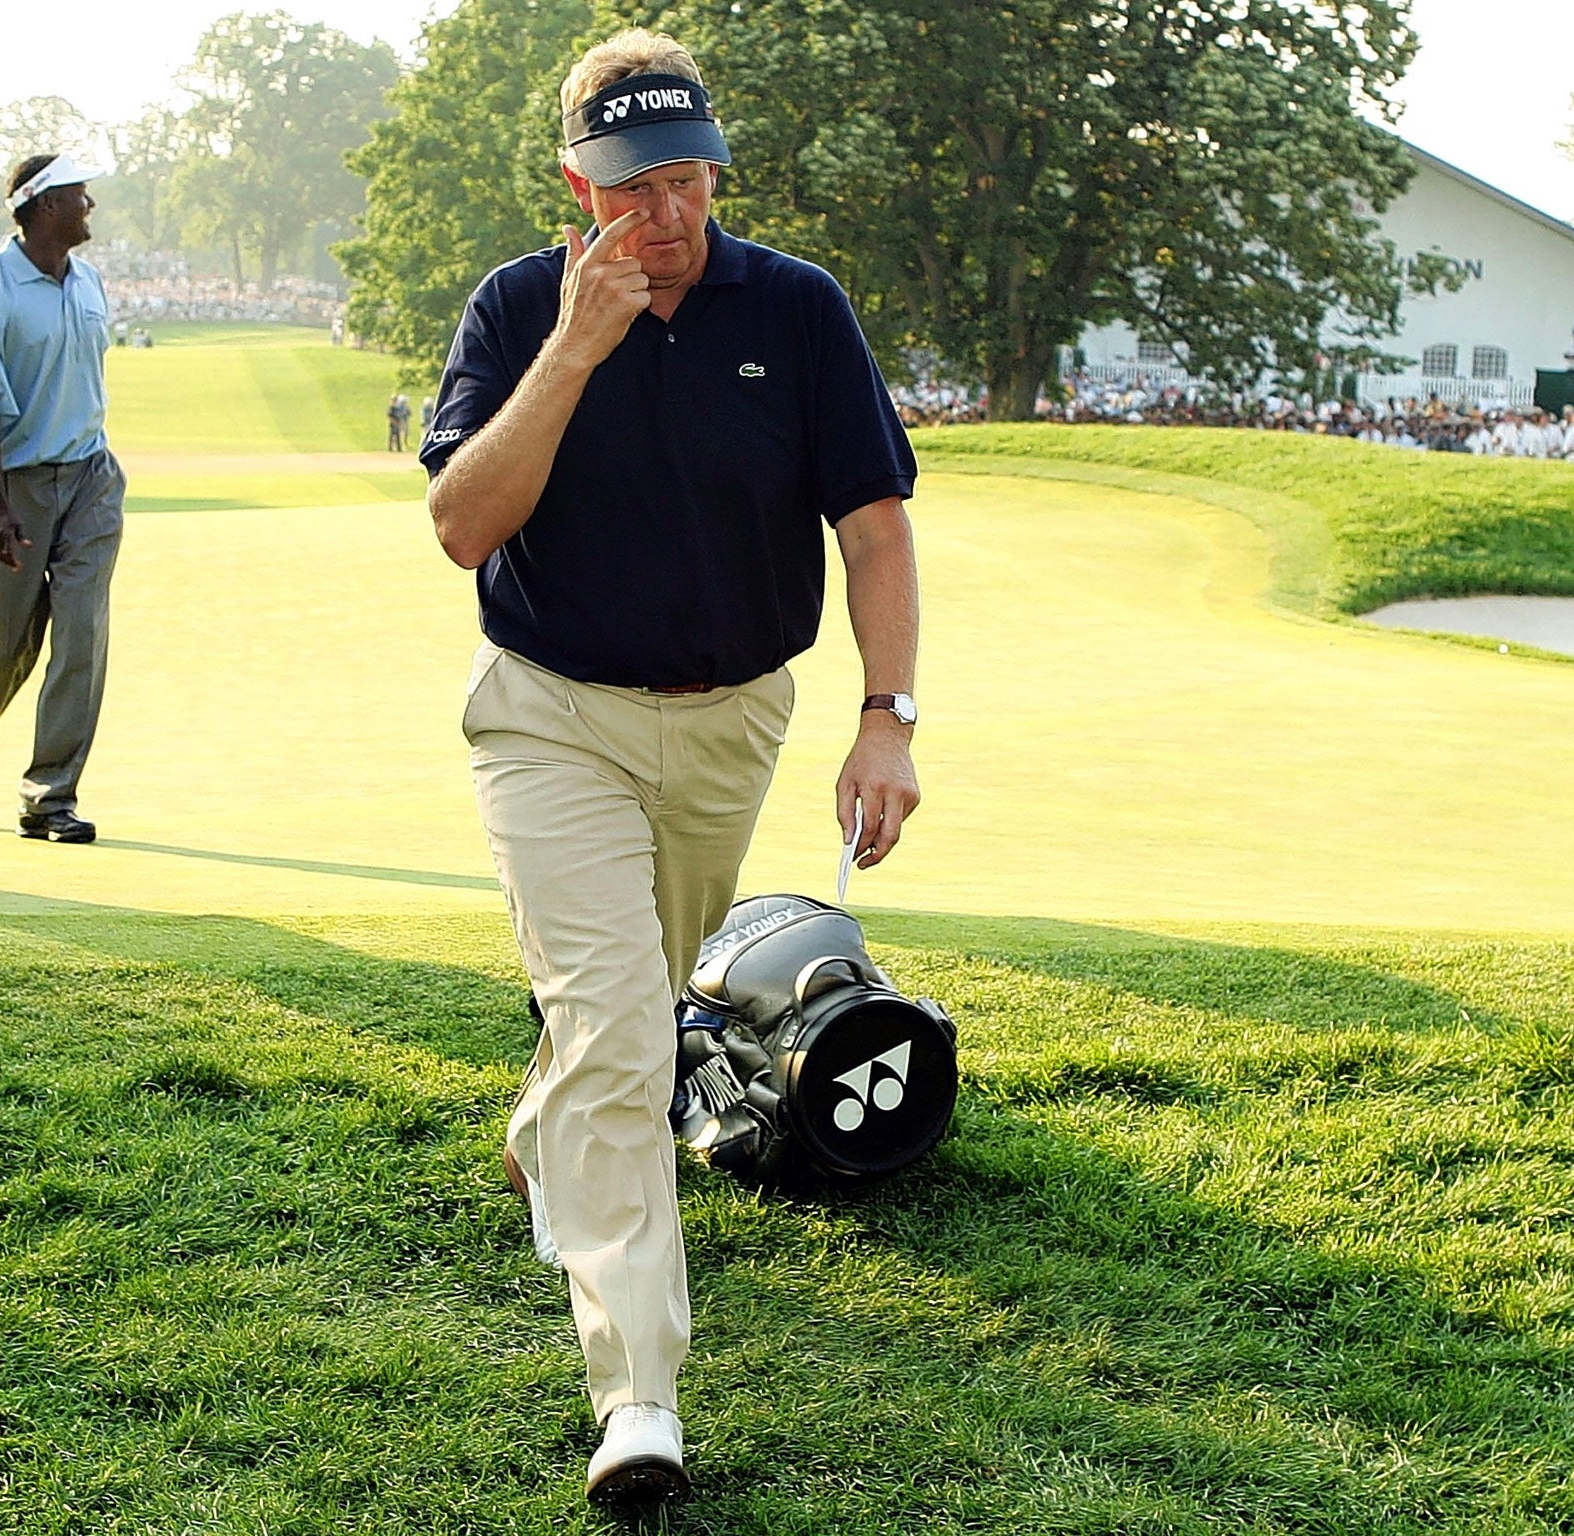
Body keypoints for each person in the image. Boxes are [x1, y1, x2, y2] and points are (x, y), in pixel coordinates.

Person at [418, 26, 921, 1512]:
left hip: (729, 721)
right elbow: (463, 525)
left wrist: (886, 710)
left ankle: (543, 1131)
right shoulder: (520, 310)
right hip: (549, 715)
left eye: (691, 178)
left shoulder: (800, 309)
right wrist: (579, 345)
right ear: (580, 185)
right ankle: (639, 1394)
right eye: (635, 187)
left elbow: (876, 525)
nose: (670, 215)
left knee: (625, 1005)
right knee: (629, 1038)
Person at [0, 152, 125, 842]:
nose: (91, 205)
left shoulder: (87, 281)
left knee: (81, 634)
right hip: (14, 485)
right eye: (80, 195)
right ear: (45, 205)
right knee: (4, 644)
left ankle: (50, 796)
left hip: (90, 477)